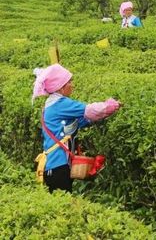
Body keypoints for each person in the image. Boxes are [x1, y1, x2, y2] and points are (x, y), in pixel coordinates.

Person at [33, 64, 120, 193]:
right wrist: (111, 106)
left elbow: (75, 124)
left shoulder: (52, 105)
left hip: (55, 166)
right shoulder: (61, 104)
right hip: (58, 166)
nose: (72, 85)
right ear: (61, 87)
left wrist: (93, 119)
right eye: (69, 82)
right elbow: (90, 110)